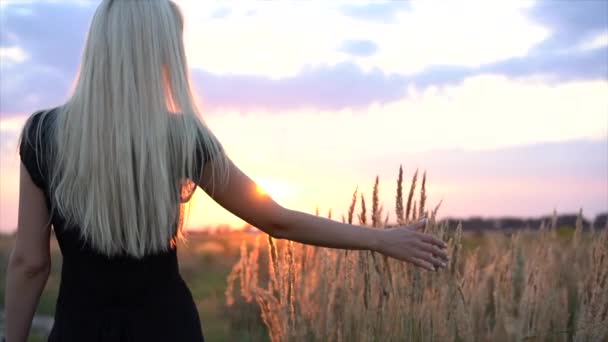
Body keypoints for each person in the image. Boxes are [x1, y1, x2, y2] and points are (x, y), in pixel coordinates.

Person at [3, 1, 449, 341]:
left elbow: (29, 263)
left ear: (99, 47)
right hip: (169, 329)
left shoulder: (43, 134)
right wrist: (380, 238)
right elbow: (275, 219)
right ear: (162, 51)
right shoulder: (183, 138)